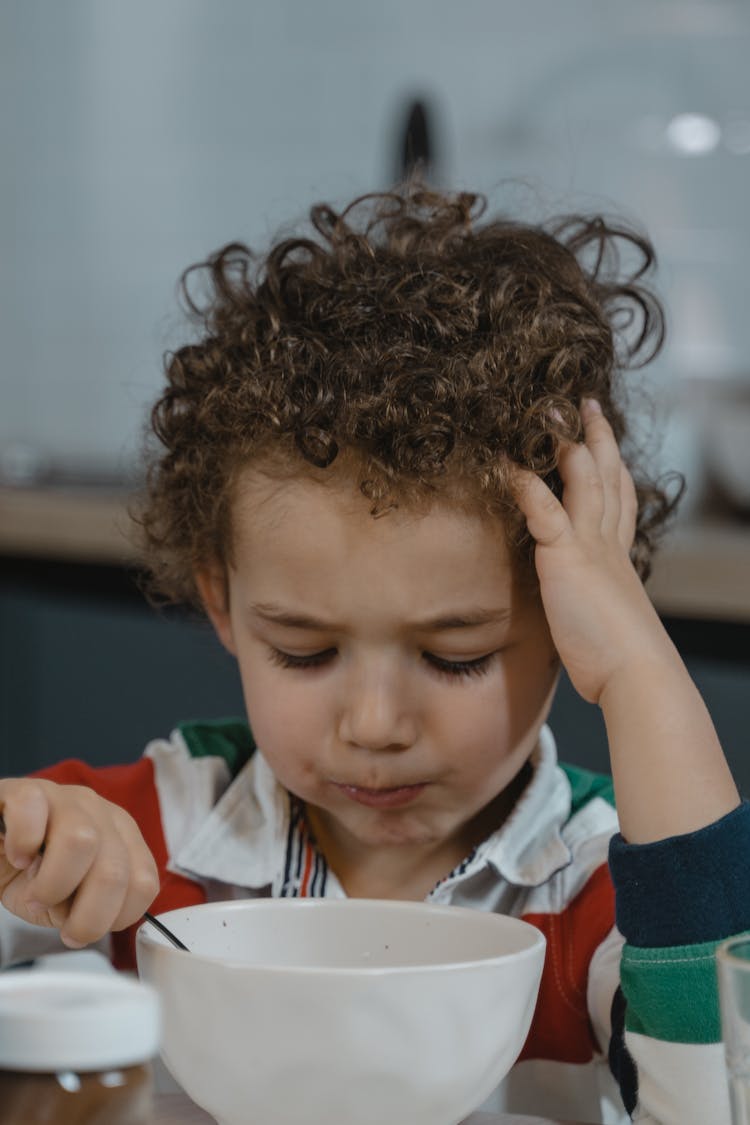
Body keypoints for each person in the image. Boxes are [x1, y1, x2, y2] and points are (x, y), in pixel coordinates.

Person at [0, 186, 746, 1124]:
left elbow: (720, 1094)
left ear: (568, 628)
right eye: (306, 652)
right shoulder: (157, 835)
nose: (376, 725)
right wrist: (19, 845)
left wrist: (639, 664)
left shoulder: (597, 887)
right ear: (223, 603)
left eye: (456, 656)